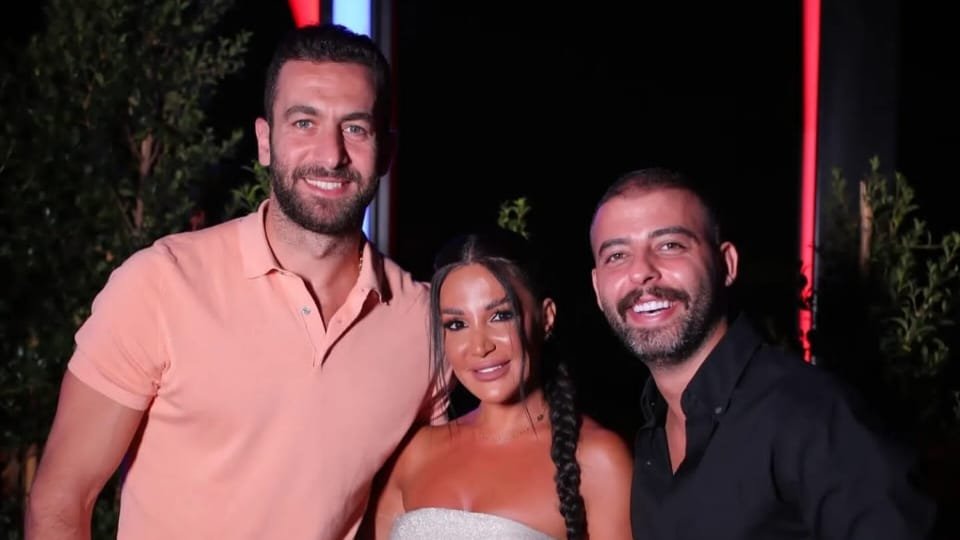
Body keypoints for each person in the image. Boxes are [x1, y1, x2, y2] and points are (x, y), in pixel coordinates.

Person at [26, 24, 439, 540]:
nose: (330, 154)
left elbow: (420, 503)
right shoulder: (162, 284)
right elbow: (61, 500)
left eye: (355, 128)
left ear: (387, 151)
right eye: (304, 122)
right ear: (265, 141)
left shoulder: (422, 325)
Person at [588, 167, 937, 539]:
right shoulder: (647, 443)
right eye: (617, 255)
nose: (641, 272)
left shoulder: (812, 415)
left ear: (727, 264)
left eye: (669, 245)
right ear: (597, 288)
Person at [366, 229, 633, 540]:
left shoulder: (598, 460)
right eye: (457, 324)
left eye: (500, 316)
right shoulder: (414, 454)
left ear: (546, 318)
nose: (479, 346)